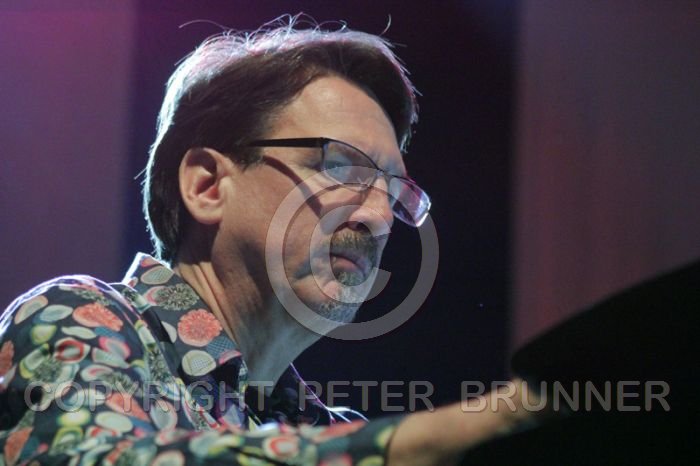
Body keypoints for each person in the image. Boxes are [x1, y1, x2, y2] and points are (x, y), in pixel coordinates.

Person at [0, 17, 536, 466]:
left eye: (393, 192)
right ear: (207, 186)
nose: (377, 217)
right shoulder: (80, 316)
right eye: (339, 167)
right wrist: (428, 439)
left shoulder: (322, 429)